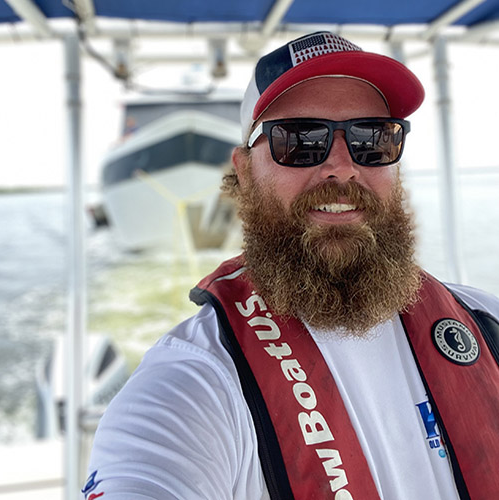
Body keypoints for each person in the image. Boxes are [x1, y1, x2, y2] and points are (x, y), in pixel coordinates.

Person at [83, 32, 499, 500]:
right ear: (243, 171)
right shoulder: (196, 380)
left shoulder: (488, 324)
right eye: (301, 140)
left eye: (372, 138)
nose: (342, 167)